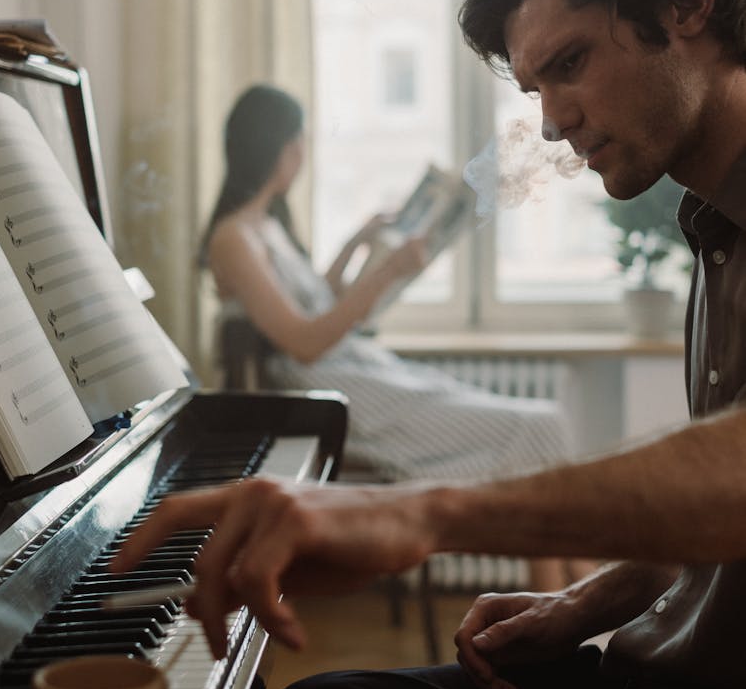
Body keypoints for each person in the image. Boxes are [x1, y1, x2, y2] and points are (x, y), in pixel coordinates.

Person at [112, 0, 746, 689]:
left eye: (570, 63)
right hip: (667, 685)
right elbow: (713, 522)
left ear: (688, 5)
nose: (552, 122)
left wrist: (419, 509)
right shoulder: (713, 226)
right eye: (536, 87)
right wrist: (579, 603)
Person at [201, 82, 581, 589]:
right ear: (284, 148)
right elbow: (303, 340)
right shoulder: (234, 237)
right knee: (538, 428)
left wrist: (359, 244)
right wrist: (385, 272)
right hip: (332, 391)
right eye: (301, 144)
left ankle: (572, 605)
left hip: (351, 370)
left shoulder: (266, 225)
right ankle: (568, 610)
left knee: (541, 434)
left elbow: (319, 304)